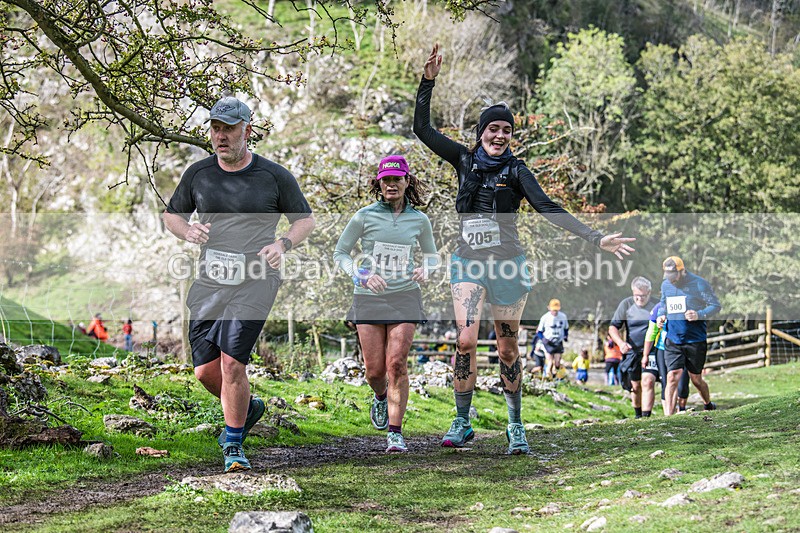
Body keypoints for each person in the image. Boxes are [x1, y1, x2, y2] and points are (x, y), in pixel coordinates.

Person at [414, 44, 635, 454]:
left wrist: (596, 237)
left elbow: (547, 207)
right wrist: (428, 82)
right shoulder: (462, 159)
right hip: (467, 263)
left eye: (506, 130)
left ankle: (515, 425)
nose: (500, 135)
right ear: (481, 132)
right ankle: (462, 421)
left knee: (507, 347)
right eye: (493, 129)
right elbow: (422, 130)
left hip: (508, 267)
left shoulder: (517, 170)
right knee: (464, 342)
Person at [163, 96, 315, 473]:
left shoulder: (274, 176)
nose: (221, 136)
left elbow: (304, 221)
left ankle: (233, 444)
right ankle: (248, 410)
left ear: (247, 130)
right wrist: (187, 230)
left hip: (256, 279)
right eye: (215, 128)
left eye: (228, 129)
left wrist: (283, 244)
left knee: (232, 362)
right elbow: (172, 216)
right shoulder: (198, 174)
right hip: (211, 281)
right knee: (205, 371)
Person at [334, 155, 437, 453]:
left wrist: (427, 269)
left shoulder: (419, 220)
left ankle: (395, 432)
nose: (391, 184)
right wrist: (361, 276)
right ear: (378, 183)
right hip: (368, 297)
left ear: (407, 181)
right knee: (375, 372)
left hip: (405, 295)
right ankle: (380, 397)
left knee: (397, 365)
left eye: (397, 179)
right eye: (386, 180)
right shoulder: (364, 216)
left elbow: (432, 256)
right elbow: (341, 253)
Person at [657, 256, 721, 416]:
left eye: (673, 275)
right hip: (673, 338)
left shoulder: (699, 284)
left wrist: (699, 314)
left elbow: (715, 305)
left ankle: (708, 404)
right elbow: (663, 304)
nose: (671, 279)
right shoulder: (665, 285)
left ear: (682, 271)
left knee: (696, 379)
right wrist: (661, 316)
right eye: (668, 275)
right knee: (672, 376)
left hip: (695, 340)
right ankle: (669, 418)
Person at [608, 276, 658, 418]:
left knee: (648, 381)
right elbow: (613, 328)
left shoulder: (657, 304)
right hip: (632, 351)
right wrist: (621, 343)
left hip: (652, 350)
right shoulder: (626, 304)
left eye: (643, 296)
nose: (639, 299)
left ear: (649, 292)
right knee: (635, 386)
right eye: (636, 295)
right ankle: (638, 415)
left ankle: (646, 417)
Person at [537, 299, 569, 380]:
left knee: (557, 363)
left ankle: (555, 376)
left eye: (556, 310)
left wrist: (565, 336)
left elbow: (566, 328)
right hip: (548, 342)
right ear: (549, 308)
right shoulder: (545, 317)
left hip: (558, 342)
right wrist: (543, 339)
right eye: (553, 310)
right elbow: (539, 332)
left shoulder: (563, 317)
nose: (555, 312)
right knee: (550, 362)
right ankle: (548, 378)